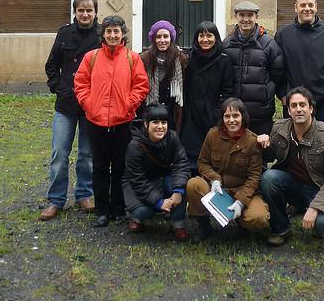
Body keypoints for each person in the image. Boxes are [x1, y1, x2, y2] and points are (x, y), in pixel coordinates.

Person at [74, 15, 149, 227]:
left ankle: (118, 207)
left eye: (116, 31)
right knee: (99, 166)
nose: (113, 35)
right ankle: (102, 210)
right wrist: (89, 105)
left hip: (122, 121)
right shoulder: (91, 57)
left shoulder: (132, 58)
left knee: (120, 166)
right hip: (96, 121)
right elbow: (80, 83)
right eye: (109, 31)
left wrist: (128, 105)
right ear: (103, 34)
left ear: (122, 33)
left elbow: (141, 85)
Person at [40, 0, 101, 221]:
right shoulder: (64, 34)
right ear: (75, 12)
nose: (85, 14)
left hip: (90, 105)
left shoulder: (102, 35)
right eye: (81, 10)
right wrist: (59, 88)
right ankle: (56, 200)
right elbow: (52, 65)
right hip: (65, 105)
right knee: (59, 153)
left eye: (89, 10)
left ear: (95, 13)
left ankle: (84, 195)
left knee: (87, 154)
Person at [258, 87, 324, 246]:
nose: (298, 109)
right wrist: (263, 144)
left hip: (321, 188)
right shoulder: (279, 129)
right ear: (289, 111)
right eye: (294, 105)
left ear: (311, 108)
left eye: (303, 105)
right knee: (269, 178)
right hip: (295, 185)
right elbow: (270, 156)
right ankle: (281, 228)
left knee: (321, 226)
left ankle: (322, 213)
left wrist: (315, 207)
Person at [186, 97, 269, 241]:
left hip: (242, 190)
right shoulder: (212, 135)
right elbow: (202, 163)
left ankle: (243, 224)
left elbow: (254, 177)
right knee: (193, 185)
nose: (231, 120)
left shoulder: (252, 141)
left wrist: (241, 202)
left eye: (236, 116)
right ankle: (203, 225)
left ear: (243, 117)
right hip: (218, 189)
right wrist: (214, 180)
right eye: (227, 116)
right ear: (222, 118)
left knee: (258, 218)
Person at [122, 103, 190, 240]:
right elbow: (137, 180)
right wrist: (158, 202)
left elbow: (181, 163)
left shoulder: (173, 137)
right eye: (155, 122)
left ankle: (178, 224)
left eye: (163, 122)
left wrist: (178, 191)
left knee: (181, 185)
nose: (160, 127)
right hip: (139, 184)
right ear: (146, 124)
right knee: (143, 210)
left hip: (164, 177)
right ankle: (136, 218)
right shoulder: (135, 146)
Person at [275, 0, 324, 124]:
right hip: (293, 105)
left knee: (321, 138)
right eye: (303, 5)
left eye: (311, 5)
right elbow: (277, 69)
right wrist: (283, 96)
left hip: (322, 105)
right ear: (296, 8)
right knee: (293, 137)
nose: (307, 8)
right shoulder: (283, 35)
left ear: (316, 7)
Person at [222, 1, 284, 135]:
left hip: (260, 113)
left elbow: (278, 74)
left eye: (250, 15)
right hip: (234, 114)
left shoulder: (268, 44)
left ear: (256, 17)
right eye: (241, 15)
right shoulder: (227, 44)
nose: (246, 19)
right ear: (236, 16)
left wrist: (266, 94)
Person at [180, 21, 234, 173]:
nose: (205, 39)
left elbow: (228, 90)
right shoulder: (188, 58)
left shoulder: (224, 60)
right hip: (191, 115)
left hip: (212, 115)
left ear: (215, 38)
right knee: (190, 157)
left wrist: (217, 113)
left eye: (209, 35)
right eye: (201, 36)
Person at [141, 20, 186, 133]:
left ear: (171, 38)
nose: (162, 40)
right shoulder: (144, 59)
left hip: (173, 113)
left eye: (166, 36)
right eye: (158, 37)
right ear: (153, 39)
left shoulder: (181, 59)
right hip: (151, 112)